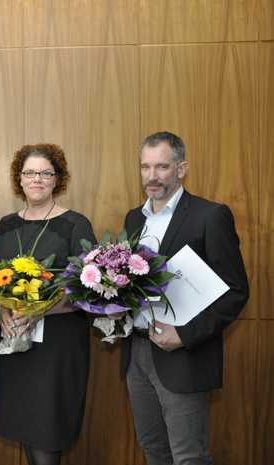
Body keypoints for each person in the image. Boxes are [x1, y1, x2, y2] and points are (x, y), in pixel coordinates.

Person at [122, 131, 249, 465]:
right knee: (153, 450)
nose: (152, 176)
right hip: (137, 352)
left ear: (181, 169)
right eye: (145, 167)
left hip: (184, 356)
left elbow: (236, 292)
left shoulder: (210, 215)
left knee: (188, 457)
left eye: (162, 167)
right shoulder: (134, 219)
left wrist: (185, 334)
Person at [0, 144, 95, 465]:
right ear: (19, 179)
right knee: (25, 425)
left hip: (57, 349)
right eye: (30, 173)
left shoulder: (76, 224)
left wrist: (43, 308)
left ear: (57, 179)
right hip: (16, 345)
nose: (37, 179)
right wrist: (1, 311)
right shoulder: (6, 225)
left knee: (49, 430)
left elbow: (89, 290)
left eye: (45, 173)